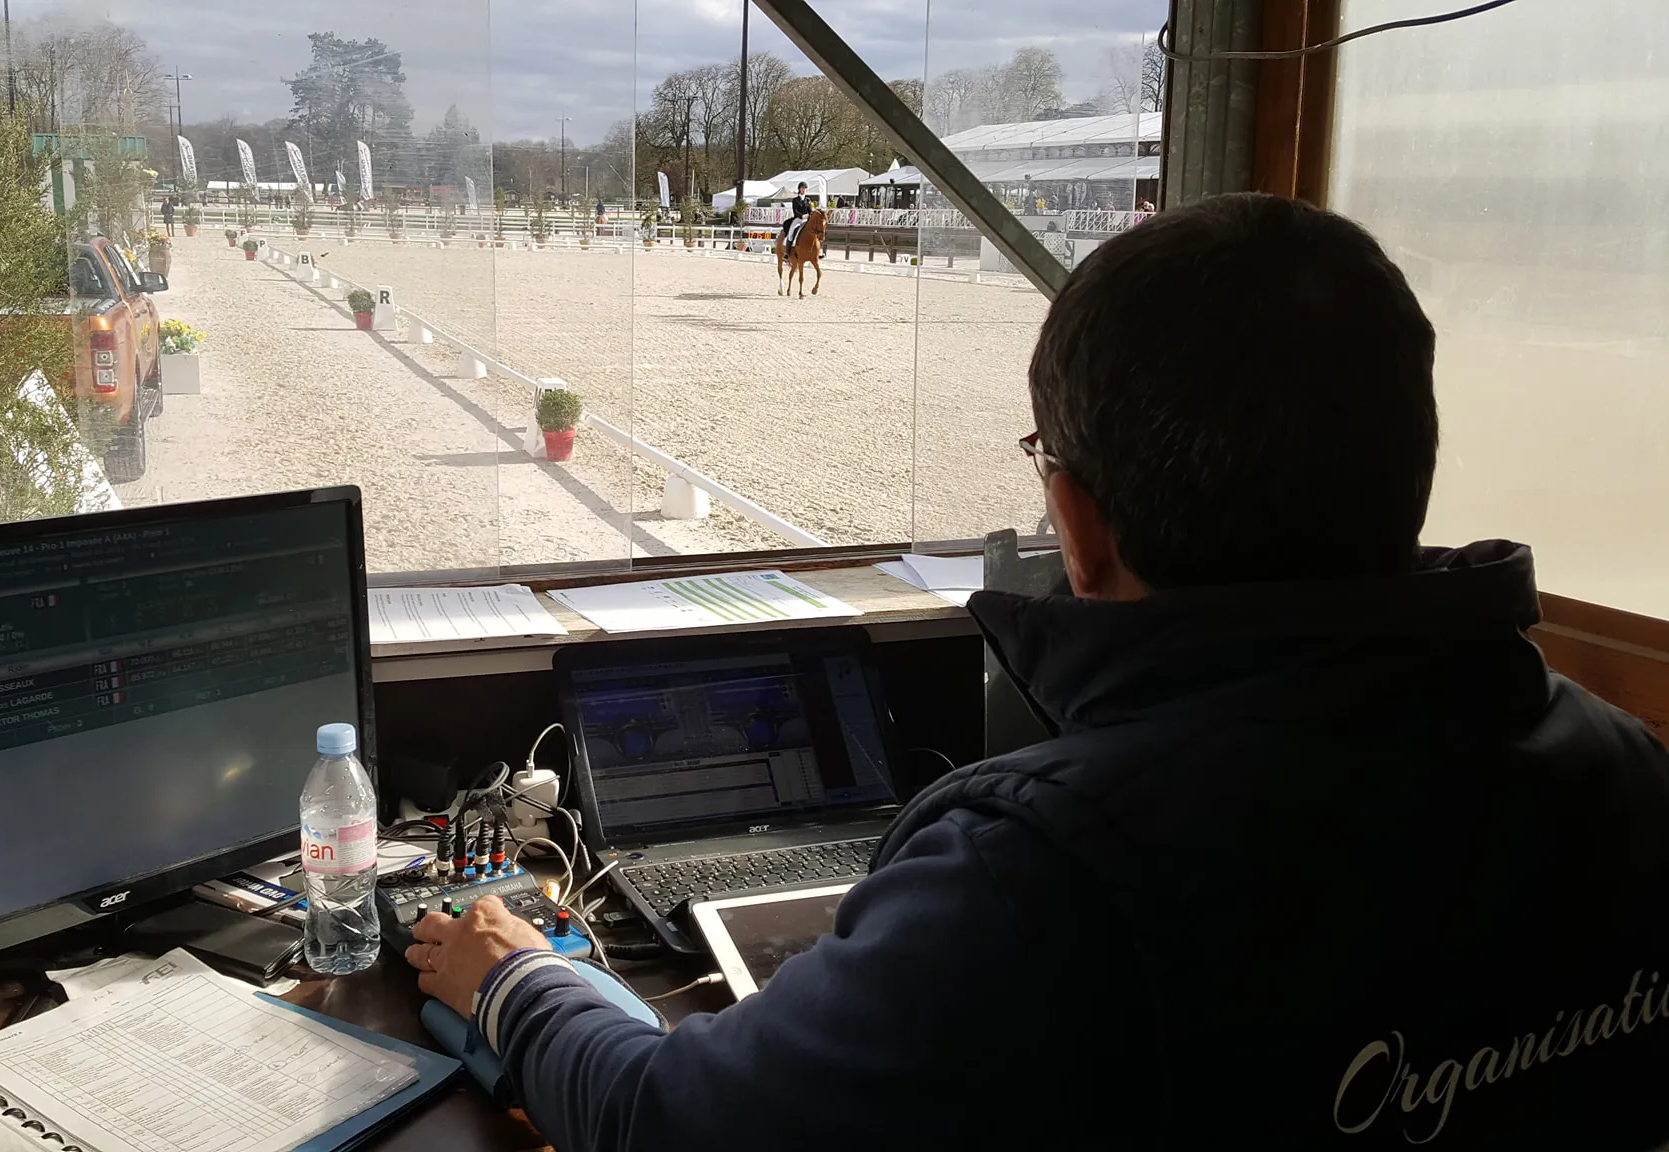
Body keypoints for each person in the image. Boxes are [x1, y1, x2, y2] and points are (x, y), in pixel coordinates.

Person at [407, 193, 1669, 1150]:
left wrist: (513, 977)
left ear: (1072, 516)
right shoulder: (1629, 772)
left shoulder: (1048, 871)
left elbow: (669, 1125)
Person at [780, 181, 812, 253]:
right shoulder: (795, 200)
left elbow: (810, 210)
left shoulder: (808, 200)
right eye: (802, 188)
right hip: (798, 219)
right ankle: (787, 252)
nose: (804, 190)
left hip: (806, 219)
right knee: (791, 232)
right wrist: (802, 216)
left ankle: (816, 251)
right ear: (799, 189)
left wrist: (811, 214)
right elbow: (795, 211)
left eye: (805, 188)